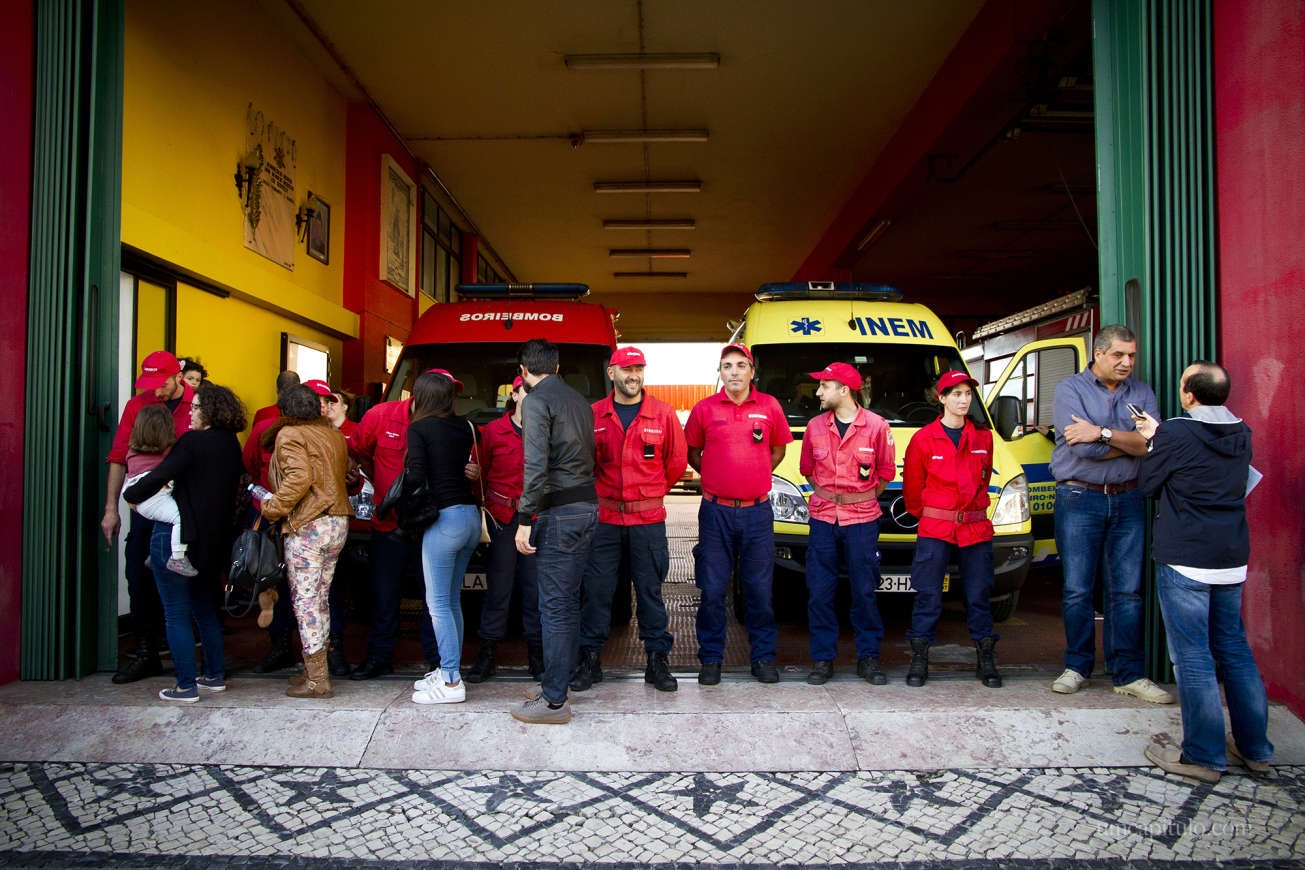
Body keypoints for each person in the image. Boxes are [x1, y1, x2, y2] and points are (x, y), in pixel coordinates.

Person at [1136, 362, 1272, 783]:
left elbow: (1148, 485)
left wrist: (1155, 439)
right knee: (1234, 649)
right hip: (1232, 557)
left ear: (1189, 395)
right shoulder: (1241, 433)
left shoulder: (1176, 431)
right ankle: (1256, 750)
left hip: (1186, 558)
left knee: (1193, 657)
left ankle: (1203, 756)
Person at [1049, 324, 1173, 704]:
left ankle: (1129, 673)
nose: (1127, 362)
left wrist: (1101, 433)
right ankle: (1077, 667)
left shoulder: (1143, 392)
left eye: (1131, 355)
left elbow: (1155, 443)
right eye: (1119, 355)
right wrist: (1131, 442)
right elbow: (1083, 450)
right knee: (1077, 590)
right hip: (1079, 498)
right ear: (1099, 353)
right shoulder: (1070, 389)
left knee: (1128, 592)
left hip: (1129, 499)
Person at [571, 346, 688, 694]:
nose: (633, 375)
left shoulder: (663, 414)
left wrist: (647, 495)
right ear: (612, 373)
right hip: (605, 520)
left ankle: (657, 660)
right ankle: (590, 660)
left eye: (638, 368)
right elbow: (584, 464)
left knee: (650, 592)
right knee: (596, 593)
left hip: (647, 520)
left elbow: (676, 463)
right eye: (626, 369)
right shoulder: (593, 415)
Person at [122, 383, 245, 702]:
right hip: (212, 541)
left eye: (196, 406)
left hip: (177, 537)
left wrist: (131, 495)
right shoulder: (231, 444)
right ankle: (214, 675)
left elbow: (160, 474)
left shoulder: (192, 442)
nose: (190, 411)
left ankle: (185, 685)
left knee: (175, 612)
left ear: (210, 411)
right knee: (205, 609)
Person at [685, 343, 793, 685]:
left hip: (757, 513)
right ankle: (711, 659)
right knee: (713, 589)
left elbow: (777, 451)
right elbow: (692, 453)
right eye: (727, 366)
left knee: (759, 590)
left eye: (740, 365)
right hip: (715, 512)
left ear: (751, 371)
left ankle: (762, 658)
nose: (733, 372)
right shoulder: (704, 409)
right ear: (721, 372)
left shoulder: (770, 406)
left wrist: (753, 475)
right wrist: (719, 478)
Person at [510, 338, 599, 724]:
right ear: (558, 365)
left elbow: (535, 467)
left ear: (523, 372)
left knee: (555, 607)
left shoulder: (535, 401)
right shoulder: (579, 400)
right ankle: (556, 682)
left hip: (558, 512)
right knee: (567, 603)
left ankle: (553, 701)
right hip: (586, 507)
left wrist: (525, 519)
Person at [901, 370, 1002, 688]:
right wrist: (935, 514)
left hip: (974, 527)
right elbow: (912, 490)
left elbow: (983, 479)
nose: (963, 399)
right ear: (941, 398)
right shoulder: (923, 439)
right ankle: (920, 657)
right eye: (955, 394)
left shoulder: (984, 437)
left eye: (967, 394)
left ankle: (985, 657)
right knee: (927, 594)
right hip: (936, 527)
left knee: (978, 595)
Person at [798, 362, 895, 686]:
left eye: (824, 386)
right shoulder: (814, 426)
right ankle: (823, 659)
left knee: (864, 591)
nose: (818, 392)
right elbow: (807, 469)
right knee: (819, 592)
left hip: (862, 521)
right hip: (823, 519)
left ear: (844, 390)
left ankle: (868, 658)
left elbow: (885, 474)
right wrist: (832, 497)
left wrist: (857, 498)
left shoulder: (877, 427)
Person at [101, 351, 194, 684]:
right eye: (149, 384)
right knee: (137, 576)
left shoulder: (197, 404)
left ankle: (199, 658)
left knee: (191, 577)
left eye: (161, 384)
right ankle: (145, 652)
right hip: (145, 505)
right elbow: (118, 457)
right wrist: (111, 509)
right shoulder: (136, 405)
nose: (156, 391)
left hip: (186, 507)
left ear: (177, 377)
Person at [244, 378, 346, 673]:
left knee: (304, 602)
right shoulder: (332, 434)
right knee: (321, 598)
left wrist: (272, 507)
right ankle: (320, 667)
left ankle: (316, 678)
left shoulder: (289, 433)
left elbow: (298, 479)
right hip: (336, 521)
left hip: (309, 523)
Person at [348, 379, 443, 680]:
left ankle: (436, 661)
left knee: (434, 596)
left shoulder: (447, 424)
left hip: (430, 524)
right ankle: (379, 657)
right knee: (384, 593)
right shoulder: (379, 415)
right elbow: (359, 451)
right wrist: (382, 486)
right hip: (388, 523)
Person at [403, 370, 481, 705]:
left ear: (421, 396)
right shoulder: (467, 427)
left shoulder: (419, 428)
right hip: (470, 519)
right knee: (451, 601)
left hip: (443, 521)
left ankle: (450, 681)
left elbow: (416, 475)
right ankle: (449, 671)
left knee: (437, 605)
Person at [463, 376, 544, 683]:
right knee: (498, 589)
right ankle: (487, 656)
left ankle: (537, 656)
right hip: (502, 519)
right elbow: (479, 474)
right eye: (527, 392)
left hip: (536, 520)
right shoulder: (493, 431)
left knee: (535, 589)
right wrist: (472, 474)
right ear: (514, 394)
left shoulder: (546, 430)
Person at [124, 405, 196, 577]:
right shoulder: (166, 453)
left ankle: (155, 555)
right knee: (180, 518)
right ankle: (177, 557)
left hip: (135, 493)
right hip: (154, 497)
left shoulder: (132, 451)